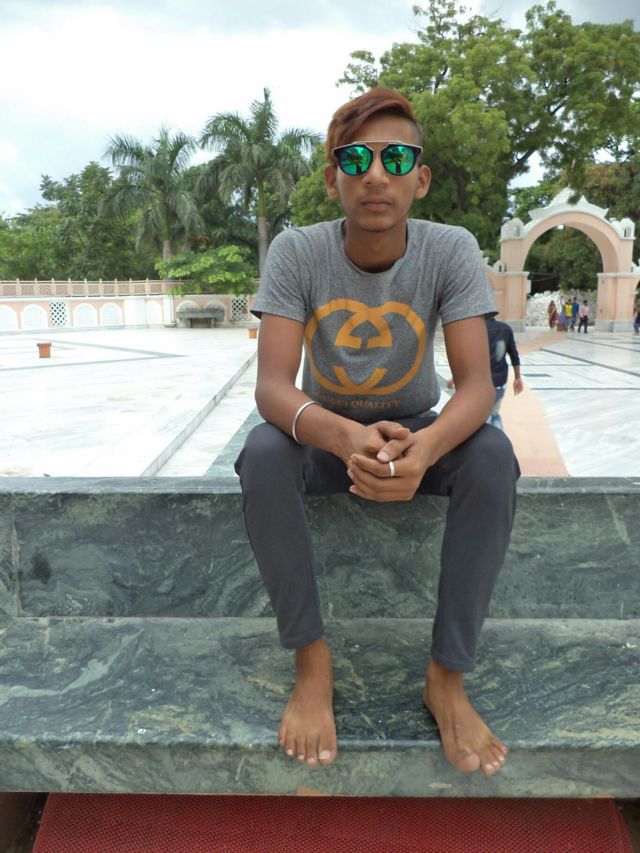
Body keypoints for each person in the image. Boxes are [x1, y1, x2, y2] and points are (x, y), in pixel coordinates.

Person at [235, 87, 520, 778]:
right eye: (356, 158)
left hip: (418, 429)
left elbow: (477, 386)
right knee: (263, 453)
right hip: (325, 433)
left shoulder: (450, 249)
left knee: (492, 455)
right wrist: (339, 436)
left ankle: (447, 677)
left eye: (395, 158)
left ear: (420, 178)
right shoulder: (298, 252)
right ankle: (312, 662)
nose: (375, 175)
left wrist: (425, 449)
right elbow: (272, 387)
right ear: (332, 177)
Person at [447, 317, 523, 431]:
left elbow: (469, 358)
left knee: (481, 418)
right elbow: (514, 356)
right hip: (499, 382)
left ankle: (485, 439)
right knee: (495, 414)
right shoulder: (505, 329)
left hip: (480, 384)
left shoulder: (475, 331)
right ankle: (499, 438)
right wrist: (517, 377)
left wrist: (454, 378)